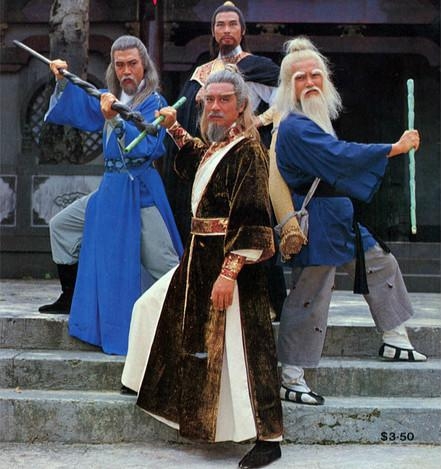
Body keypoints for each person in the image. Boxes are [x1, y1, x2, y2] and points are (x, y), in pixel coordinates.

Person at [121, 68, 283, 468]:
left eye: (224, 100)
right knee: (153, 311)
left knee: (245, 351)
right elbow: (198, 160)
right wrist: (174, 128)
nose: (214, 107)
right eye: (209, 100)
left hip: (232, 263)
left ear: (241, 105)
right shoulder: (219, 146)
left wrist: (229, 273)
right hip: (197, 257)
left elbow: (252, 216)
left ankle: (269, 437)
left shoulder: (249, 151)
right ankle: (151, 388)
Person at [273, 36, 427, 406]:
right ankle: (292, 376)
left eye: (315, 75)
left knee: (379, 264)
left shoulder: (315, 119)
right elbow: (339, 156)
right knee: (311, 295)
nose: (310, 82)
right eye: (300, 78)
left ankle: (395, 338)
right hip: (317, 220)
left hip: (337, 216)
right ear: (288, 86)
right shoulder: (295, 127)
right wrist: (394, 149)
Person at [39, 35, 183, 355]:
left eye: (132, 64)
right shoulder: (110, 97)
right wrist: (62, 80)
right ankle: (71, 297)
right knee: (62, 226)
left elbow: (146, 147)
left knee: (165, 264)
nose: (126, 71)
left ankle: (184, 320)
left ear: (144, 65)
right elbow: (83, 108)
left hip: (140, 189)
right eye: (120, 65)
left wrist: (116, 119)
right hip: (110, 189)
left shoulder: (154, 103)